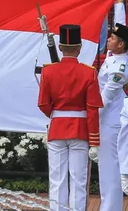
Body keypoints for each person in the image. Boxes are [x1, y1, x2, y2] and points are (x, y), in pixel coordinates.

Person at [38, 24, 103, 211]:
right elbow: (92, 109)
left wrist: (56, 113)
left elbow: (43, 104)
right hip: (80, 129)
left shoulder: (48, 71)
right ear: (80, 47)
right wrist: (94, 141)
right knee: (79, 180)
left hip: (57, 127)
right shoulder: (88, 72)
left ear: (59, 47)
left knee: (57, 179)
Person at [89, 0, 128, 211]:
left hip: (110, 121)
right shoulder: (117, 55)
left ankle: (110, 208)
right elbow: (122, 26)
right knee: (106, 168)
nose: (109, 39)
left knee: (110, 169)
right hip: (107, 120)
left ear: (120, 44)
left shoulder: (120, 67)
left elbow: (104, 98)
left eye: (112, 38)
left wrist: (91, 120)